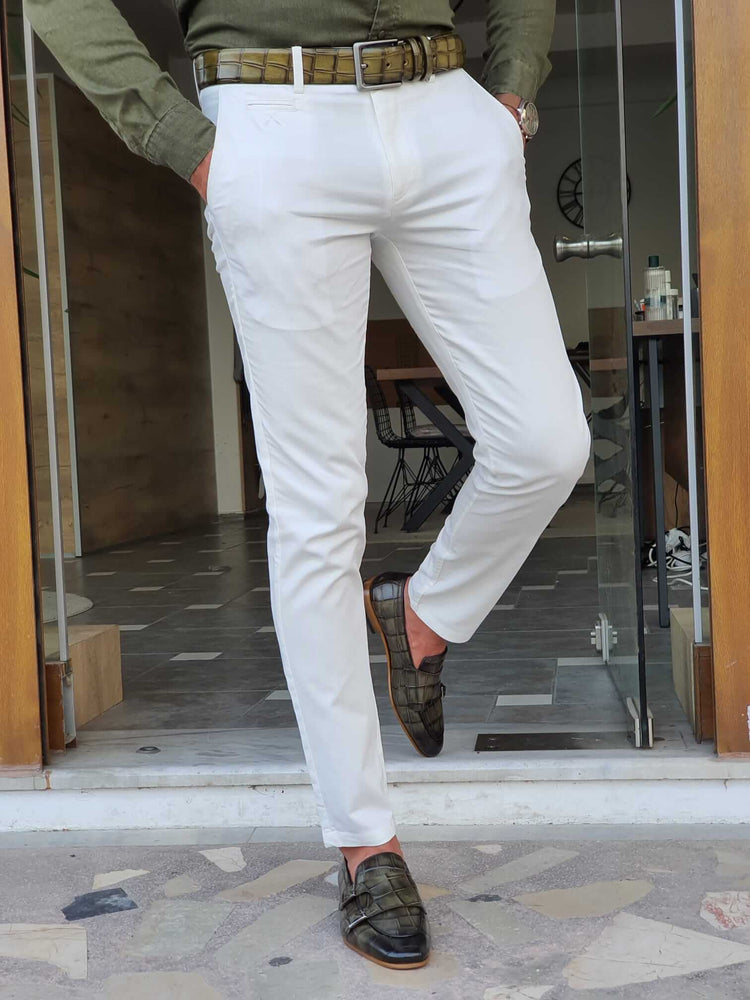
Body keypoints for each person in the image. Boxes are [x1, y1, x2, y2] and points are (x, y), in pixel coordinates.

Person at [26, 0, 590, 969]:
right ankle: (367, 843)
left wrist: (510, 92)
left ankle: (421, 618)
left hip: (445, 110)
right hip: (271, 116)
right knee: (318, 512)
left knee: (548, 441)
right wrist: (179, 139)